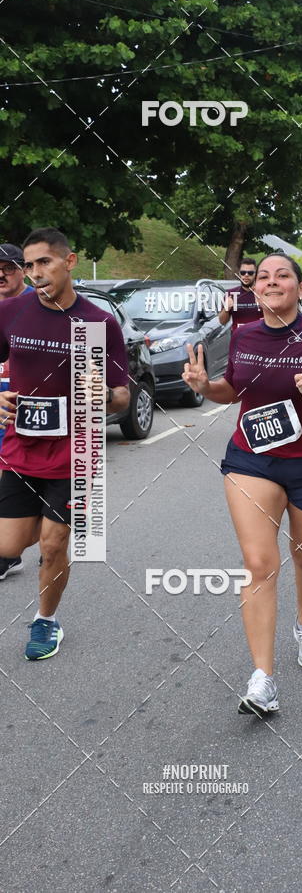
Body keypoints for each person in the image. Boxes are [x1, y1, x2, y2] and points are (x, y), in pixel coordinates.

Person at [182, 253, 302, 717]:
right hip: (252, 460)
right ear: (254, 288)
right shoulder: (244, 335)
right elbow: (233, 390)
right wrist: (205, 387)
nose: (272, 282)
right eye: (263, 276)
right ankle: (263, 680)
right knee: (259, 565)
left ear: (300, 288)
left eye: (283, 276)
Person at [0, 227, 130, 658]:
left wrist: (103, 396)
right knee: (9, 546)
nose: (36, 273)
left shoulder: (97, 323)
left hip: (76, 451)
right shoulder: (11, 312)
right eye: (29, 265)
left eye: (45, 262)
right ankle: (47, 524)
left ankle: (46, 621)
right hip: (21, 448)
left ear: (69, 262)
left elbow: (122, 396)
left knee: (55, 545)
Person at [0, 244, 35, 469]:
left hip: (27, 409)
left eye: (8, 268)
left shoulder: (41, 304)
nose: (1, 275)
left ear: (24, 270)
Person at [217, 257, 261, 331]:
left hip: (258, 336)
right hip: (238, 337)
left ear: (255, 274)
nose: (246, 275)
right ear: (239, 273)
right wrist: (226, 309)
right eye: (243, 272)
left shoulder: (263, 293)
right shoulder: (231, 293)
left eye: (250, 273)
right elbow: (222, 322)